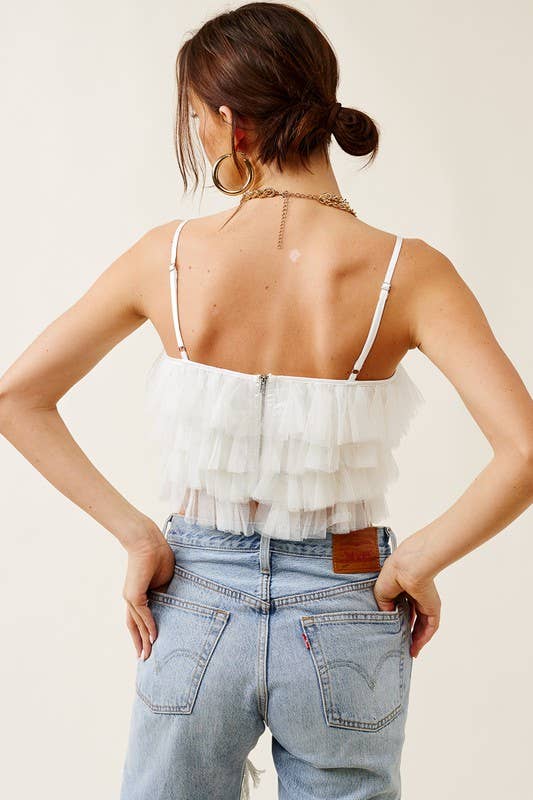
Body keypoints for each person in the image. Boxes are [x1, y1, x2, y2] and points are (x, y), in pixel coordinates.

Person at [1, 3, 532, 799]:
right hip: (348, 596)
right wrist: (414, 560)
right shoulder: (409, 272)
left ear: (230, 121)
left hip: (196, 596)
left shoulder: (167, 257)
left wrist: (137, 535)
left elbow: (18, 396)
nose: (198, 134)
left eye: (196, 118)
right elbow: (523, 451)